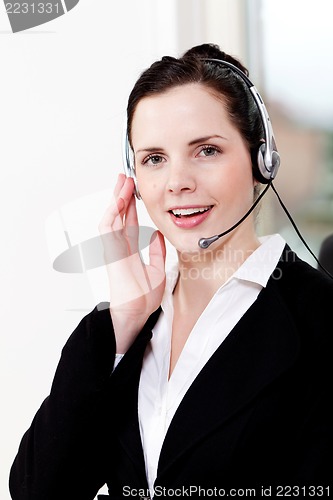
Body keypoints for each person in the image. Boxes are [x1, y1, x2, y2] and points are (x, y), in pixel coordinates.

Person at [9, 43, 333, 500]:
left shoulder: (319, 318)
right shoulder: (129, 325)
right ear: (134, 178)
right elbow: (37, 490)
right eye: (154, 158)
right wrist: (122, 321)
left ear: (262, 159)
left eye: (206, 150)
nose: (177, 182)